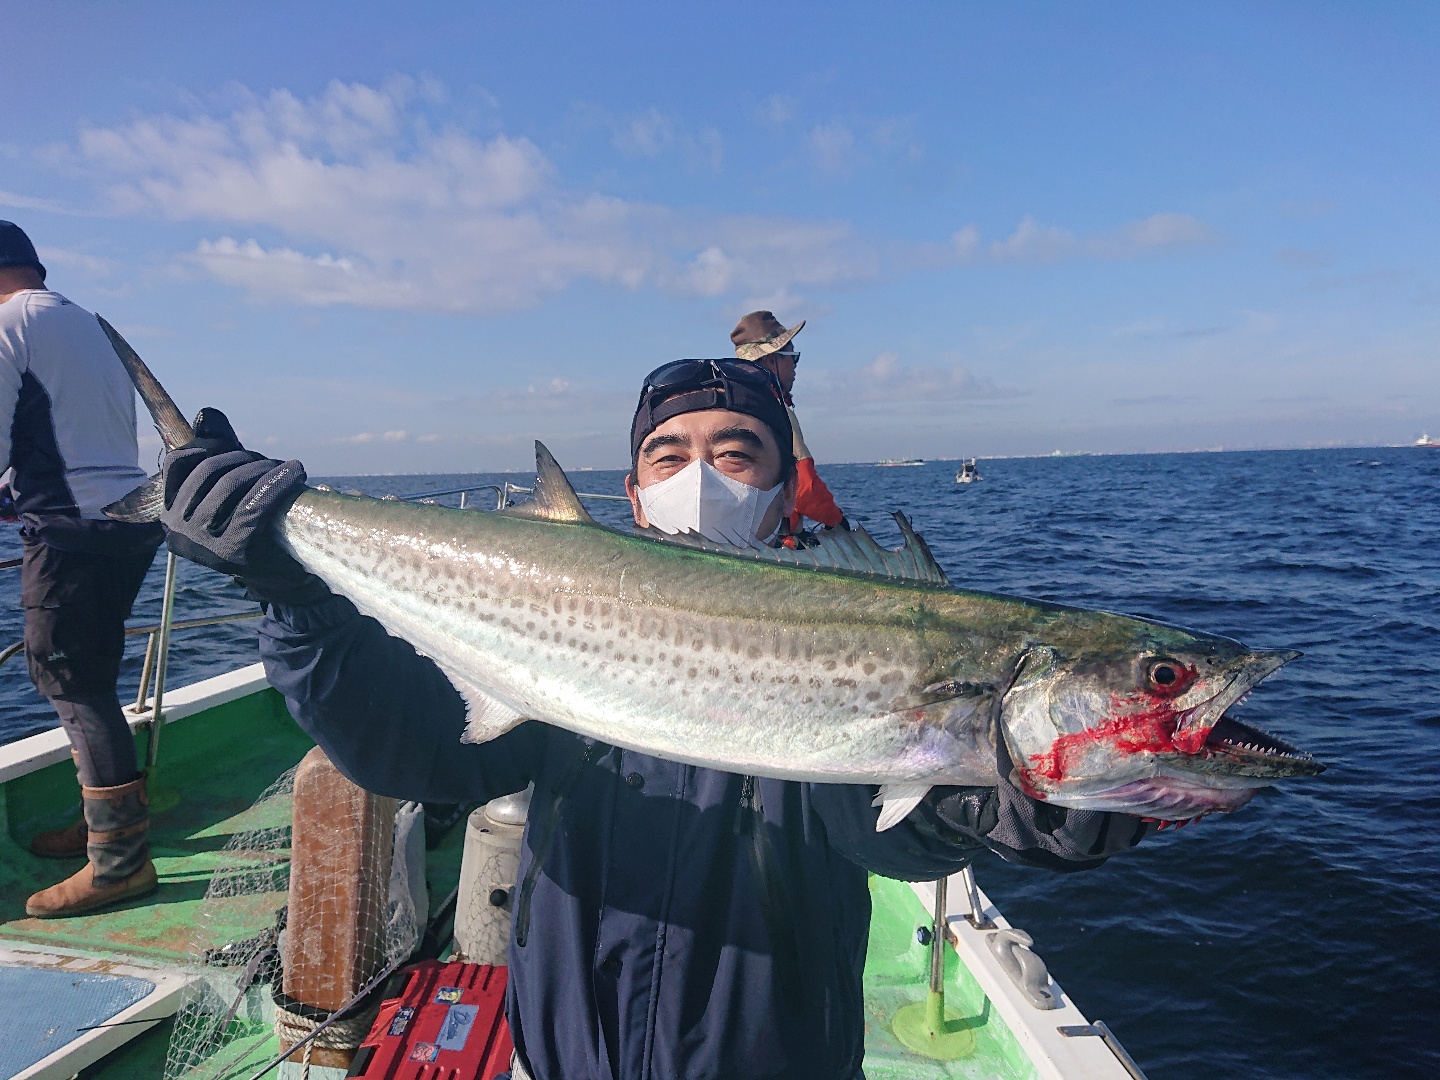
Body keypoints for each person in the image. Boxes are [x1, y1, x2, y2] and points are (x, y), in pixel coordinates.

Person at [158, 360, 1153, 1080]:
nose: (702, 471)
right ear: (633, 494)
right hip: (562, 1055)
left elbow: (891, 825)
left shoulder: (845, 643)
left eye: (737, 450)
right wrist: (294, 598)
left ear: (782, 493)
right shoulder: (572, 628)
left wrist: (1038, 802)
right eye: (669, 452)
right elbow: (413, 751)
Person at [0, 221, 165, 918]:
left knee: (68, 680)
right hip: (126, 522)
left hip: (72, 533)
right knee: (91, 680)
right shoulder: (88, 323)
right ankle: (102, 829)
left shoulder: (9, 324)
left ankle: (119, 864)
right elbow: (81, 435)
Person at [731, 311, 845, 534]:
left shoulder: (733, 406)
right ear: (772, 358)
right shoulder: (775, 410)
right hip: (777, 548)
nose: (795, 365)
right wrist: (839, 523)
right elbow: (804, 485)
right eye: (792, 356)